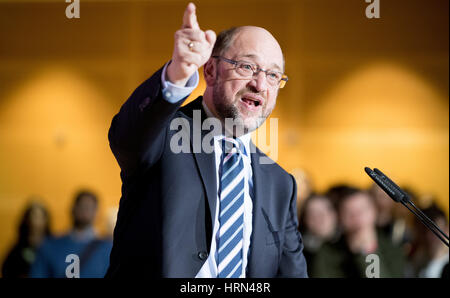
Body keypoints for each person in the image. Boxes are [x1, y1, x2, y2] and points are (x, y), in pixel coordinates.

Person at [106, 3, 308, 278]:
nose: (260, 84)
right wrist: (178, 73)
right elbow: (127, 137)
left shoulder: (281, 184)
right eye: (247, 66)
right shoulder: (165, 134)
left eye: (272, 75)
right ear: (211, 71)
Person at [311, 187, 405, 278]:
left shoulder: (392, 248)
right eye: (349, 212)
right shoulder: (327, 252)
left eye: (362, 210)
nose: (357, 217)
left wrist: (369, 252)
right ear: (340, 218)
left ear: (374, 212)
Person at [30, 190, 112, 278]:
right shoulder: (50, 246)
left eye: (89, 207)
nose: (85, 211)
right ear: (73, 209)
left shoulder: (108, 248)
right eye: (82, 206)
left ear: (97, 212)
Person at [2, 200, 51, 278]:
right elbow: (7, 270)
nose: (36, 221)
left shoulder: (53, 246)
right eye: (33, 216)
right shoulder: (17, 249)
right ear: (26, 219)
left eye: (40, 216)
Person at [298, 193, 339, 276]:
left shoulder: (352, 246)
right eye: (312, 213)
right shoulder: (297, 254)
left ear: (335, 213)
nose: (320, 217)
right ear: (305, 220)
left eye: (325, 210)